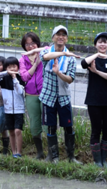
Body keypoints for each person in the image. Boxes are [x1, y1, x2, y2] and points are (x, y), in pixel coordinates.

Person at [31, 25, 78, 163]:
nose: (61, 37)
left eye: (64, 34)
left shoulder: (71, 59)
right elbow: (45, 57)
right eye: (58, 34)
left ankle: (71, 157)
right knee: (51, 127)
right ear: (53, 37)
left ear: (67, 39)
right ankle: (54, 157)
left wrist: (58, 73)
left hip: (63, 97)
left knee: (68, 127)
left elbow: (70, 79)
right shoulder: (47, 51)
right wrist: (63, 54)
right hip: (48, 96)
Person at [81, 32, 107, 168]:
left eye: (105, 42)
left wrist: (97, 72)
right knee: (95, 129)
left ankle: (104, 159)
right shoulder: (92, 59)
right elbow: (83, 63)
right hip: (93, 100)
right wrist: (97, 55)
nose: (103, 44)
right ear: (95, 44)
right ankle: (97, 161)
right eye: (100, 42)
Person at [0, 56, 26, 158]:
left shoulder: (21, 78)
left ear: (18, 67)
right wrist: (7, 73)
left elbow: (20, 92)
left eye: (14, 66)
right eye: (9, 67)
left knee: (17, 131)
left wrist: (15, 78)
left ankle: (19, 152)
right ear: (6, 68)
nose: (12, 69)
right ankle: (13, 152)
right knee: (11, 131)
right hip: (8, 110)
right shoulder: (4, 78)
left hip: (19, 110)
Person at [19, 32, 46, 159]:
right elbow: (24, 76)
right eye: (27, 44)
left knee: (47, 124)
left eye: (33, 43)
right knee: (34, 125)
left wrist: (36, 53)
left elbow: (48, 48)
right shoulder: (22, 59)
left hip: (45, 94)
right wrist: (35, 64)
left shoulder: (44, 54)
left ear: (37, 43)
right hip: (30, 95)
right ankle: (40, 153)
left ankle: (52, 153)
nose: (30, 46)